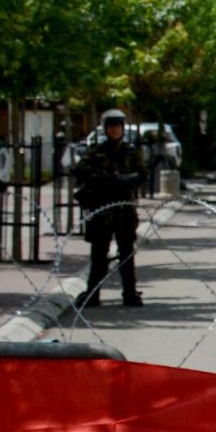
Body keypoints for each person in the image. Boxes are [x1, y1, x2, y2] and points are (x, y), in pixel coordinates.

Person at [74, 108, 146, 307]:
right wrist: (103, 181)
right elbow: (81, 171)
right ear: (105, 129)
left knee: (126, 254)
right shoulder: (96, 152)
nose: (115, 130)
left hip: (124, 209)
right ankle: (93, 293)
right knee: (98, 255)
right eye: (111, 127)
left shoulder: (130, 152)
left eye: (118, 126)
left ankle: (129, 293)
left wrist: (123, 181)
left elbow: (141, 175)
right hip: (102, 209)